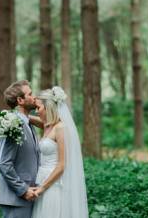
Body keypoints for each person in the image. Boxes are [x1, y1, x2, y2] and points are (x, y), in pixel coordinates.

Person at [30, 86, 88, 218]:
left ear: (49, 108)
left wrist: (43, 188)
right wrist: (21, 115)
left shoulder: (61, 128)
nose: (36, 112)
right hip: (42, 180)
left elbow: (61, 165)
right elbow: (39, 121)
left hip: (53, 184)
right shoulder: (49, 125)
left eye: (38, 108)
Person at [0, 80, 40, 218]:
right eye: (30, 94)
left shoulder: (27, 123)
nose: (34, 98)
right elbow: (4, 164)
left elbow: (51, 124)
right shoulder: (13, 125)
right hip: (16, 199)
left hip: (28, 196)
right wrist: (22, 190)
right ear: (20, 100)